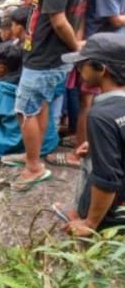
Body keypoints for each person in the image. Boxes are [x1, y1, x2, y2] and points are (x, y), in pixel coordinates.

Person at [14, 0, 86, 192]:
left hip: (45, 57)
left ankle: (34, 168)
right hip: (52, 57)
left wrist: (75, 46)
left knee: (24, 110)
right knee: (39, 105)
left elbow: (59, 21)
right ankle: (33, 156)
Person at [69, 0, 125, 169]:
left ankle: (81, 153)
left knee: (88, 101)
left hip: (102, 44)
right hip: (117, 42)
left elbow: (112, 17)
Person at [57, 33, 125, 235]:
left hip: (117, 208)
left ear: (101, 69)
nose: (78, 69)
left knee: (95, 168)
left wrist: (91, 223)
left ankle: (87, 215)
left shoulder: (101, 116)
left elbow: (107, 178)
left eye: (82, 64)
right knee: (91, 154)